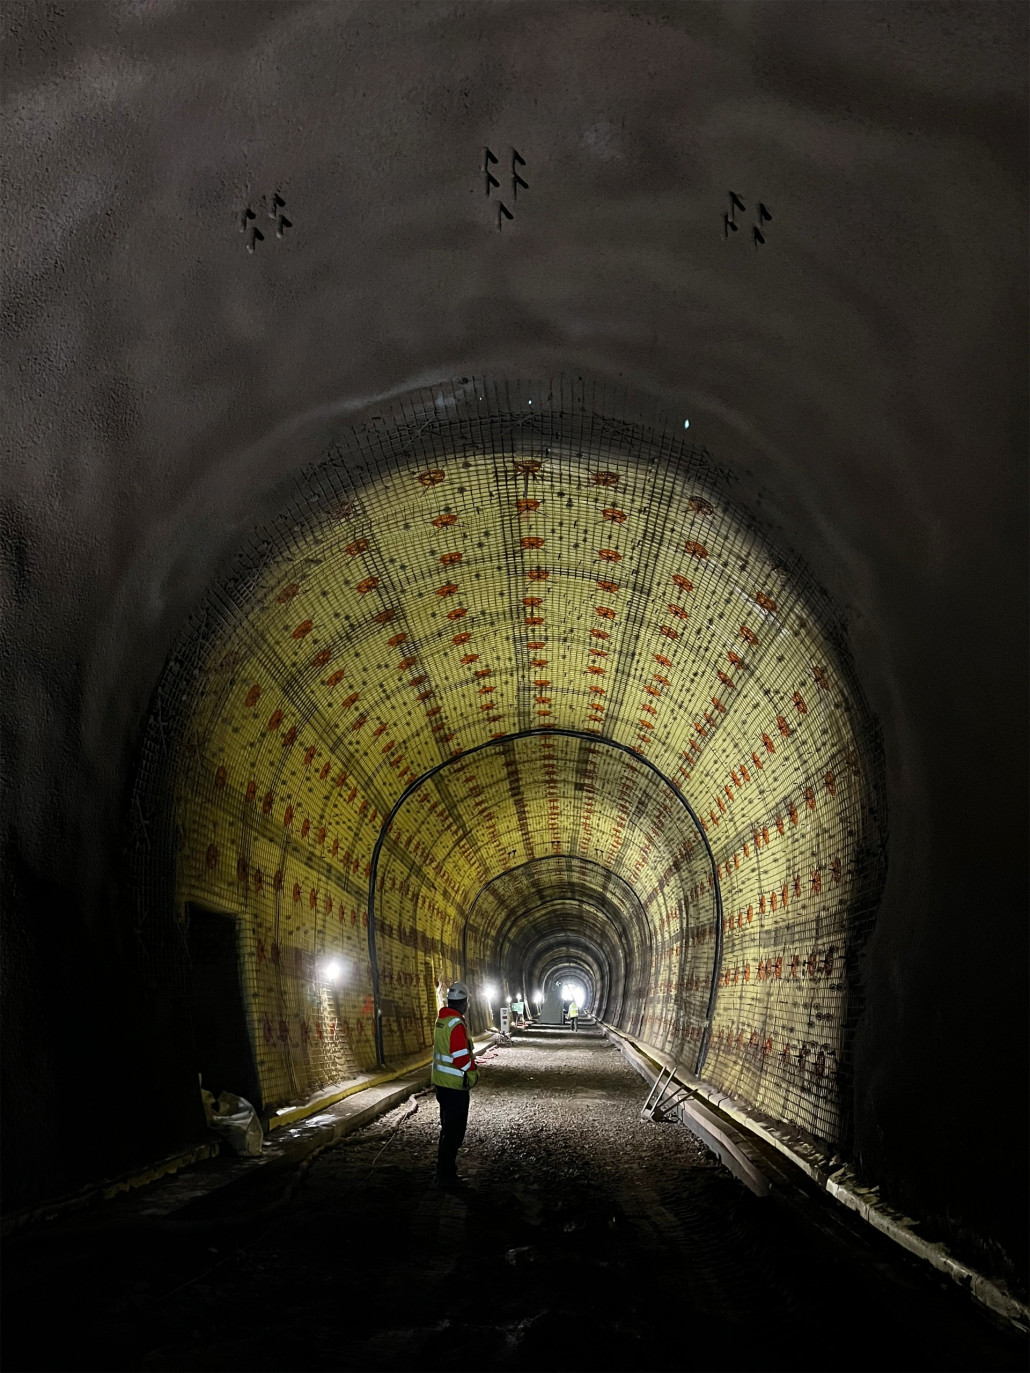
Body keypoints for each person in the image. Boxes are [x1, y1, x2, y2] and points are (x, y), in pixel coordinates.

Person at [431, 979, 480, 1187]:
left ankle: (444, 1171)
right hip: (454, 1087)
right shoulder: (456, 1024)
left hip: (441, 1085)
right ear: (464, 1003)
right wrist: (473, 1071)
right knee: (455, 1132)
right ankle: (446, 1176)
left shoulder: (441, 1020)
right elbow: (461, 1058)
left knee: (447, 1129)